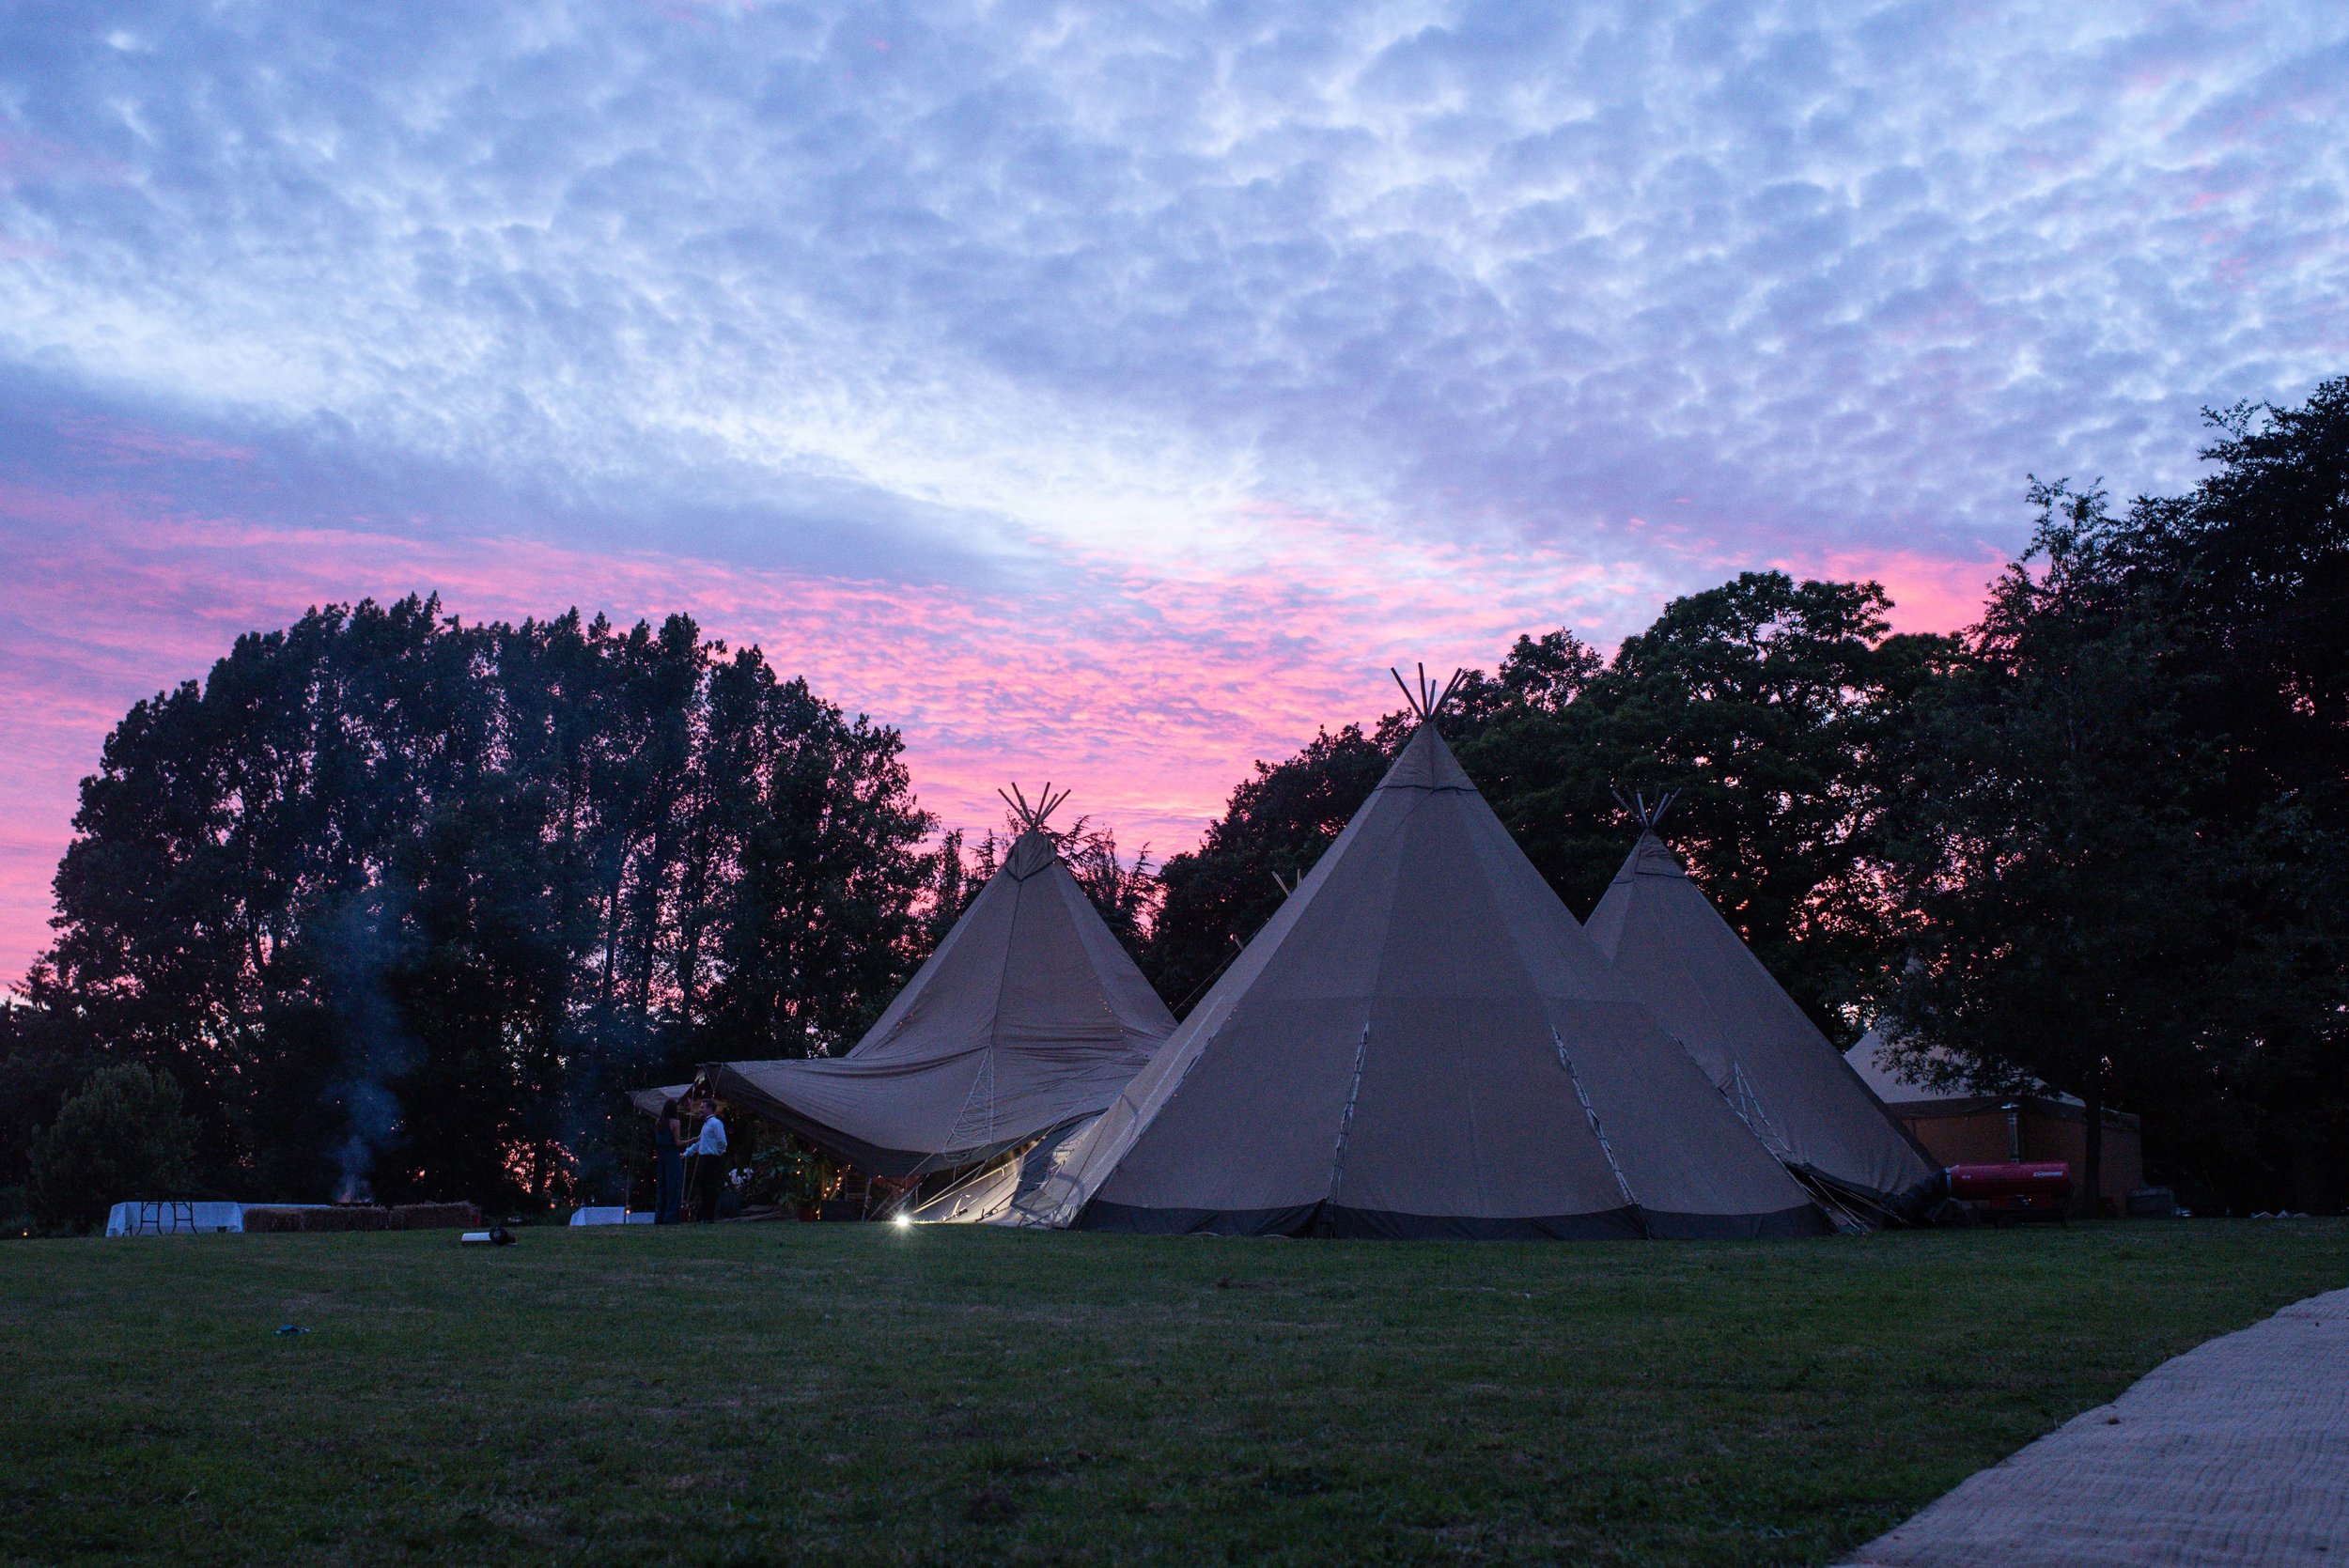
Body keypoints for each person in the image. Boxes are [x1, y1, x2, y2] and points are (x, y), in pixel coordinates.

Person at [686, 1098, 728, 1223]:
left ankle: (709, 1216)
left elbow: (722, 1140)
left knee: (709, 1187)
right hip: (704, 1158)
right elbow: (700, 1142)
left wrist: (719, 1152)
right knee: (704, 1186)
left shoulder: (716, 1123)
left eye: (703, 1107)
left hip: (711, 1158)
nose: (701, 1109)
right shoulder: (706, 1124)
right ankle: (705, 1215)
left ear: (709, 1109)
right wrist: (687, 1153)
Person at [653, 1098, 686, 1224]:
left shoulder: (658, 1122)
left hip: (661, 1156)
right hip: (672, 1156)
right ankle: (671, 1217)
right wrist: (692, 1140)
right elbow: (677, 1142)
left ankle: (659, 1216)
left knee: (662, 1187)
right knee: (674, 1186)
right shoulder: (675, 1122)